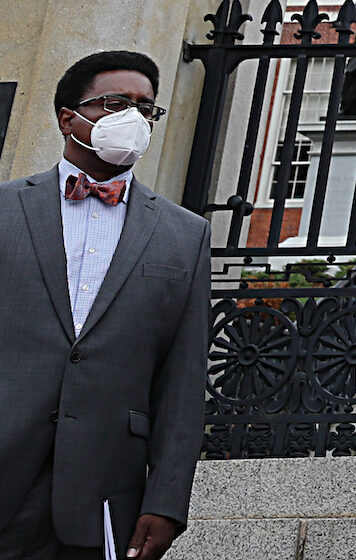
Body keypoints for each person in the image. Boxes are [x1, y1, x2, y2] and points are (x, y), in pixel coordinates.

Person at [0, 51, 210, 560]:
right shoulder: (5, 210)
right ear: (68, 117)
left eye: (145, 108)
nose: (132, 119)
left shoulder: (185, 234)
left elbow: (183, 383)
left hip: (105, 496)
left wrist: (168, 500)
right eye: (115, 103)